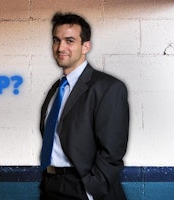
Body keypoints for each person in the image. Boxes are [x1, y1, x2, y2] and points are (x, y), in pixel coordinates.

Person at [39, 12, 129, 200]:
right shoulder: (56, 89)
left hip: (83, 189)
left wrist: (91, 191)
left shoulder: (107, 88)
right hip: (51, 186)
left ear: (85, 46)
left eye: (69, 40)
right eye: (56, 40)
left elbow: (112, 151)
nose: (60, 47)